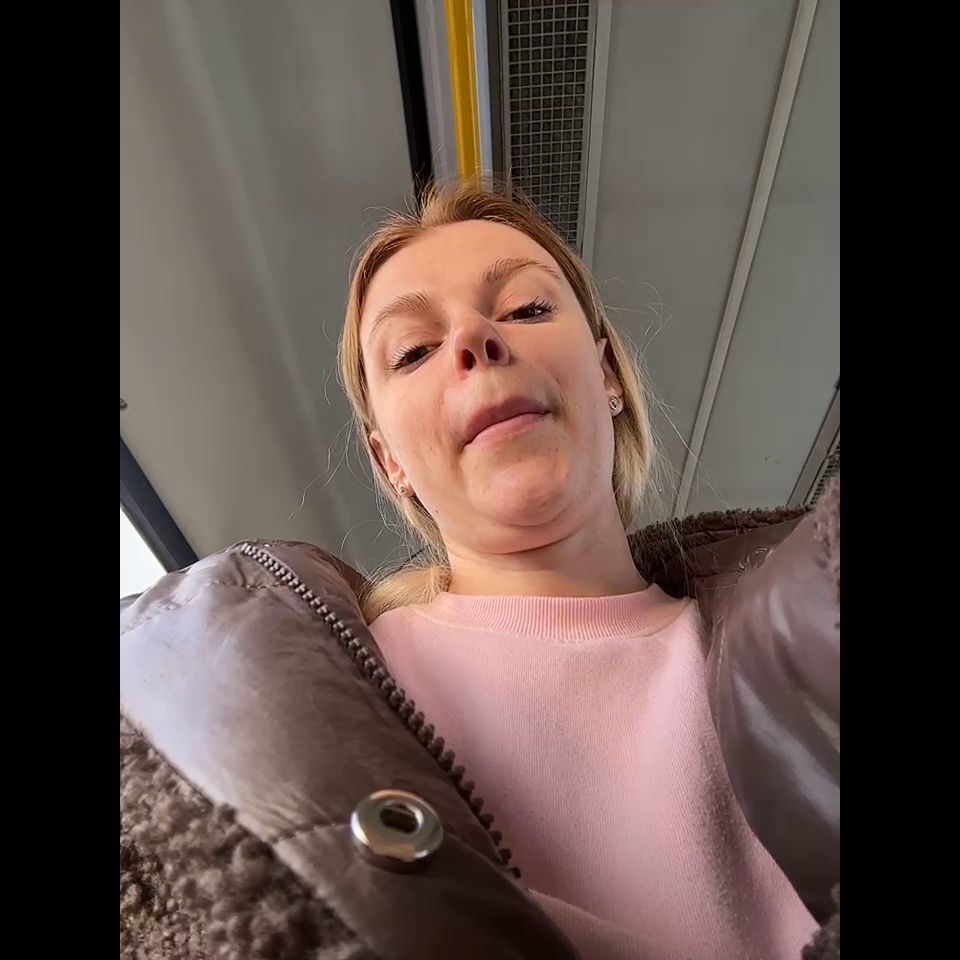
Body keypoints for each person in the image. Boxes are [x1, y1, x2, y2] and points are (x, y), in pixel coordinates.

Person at [120, 181, 840, 960]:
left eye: (527, 309)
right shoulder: (319, 698)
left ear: (606, 373)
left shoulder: (802, 635)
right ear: (389, 461)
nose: (474, 339)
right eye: (413, 351)